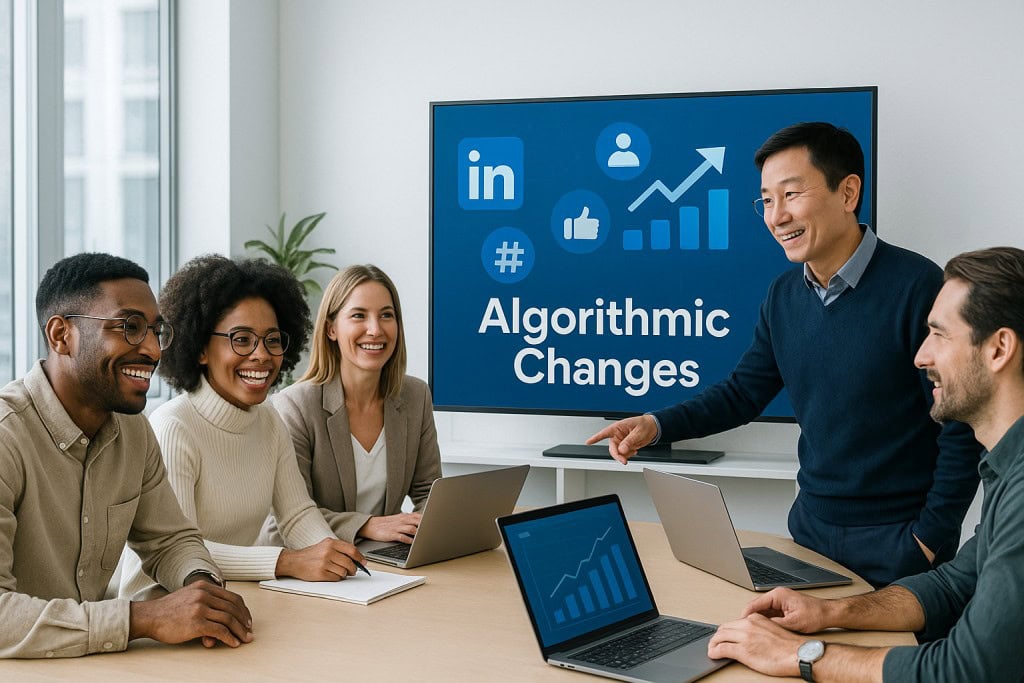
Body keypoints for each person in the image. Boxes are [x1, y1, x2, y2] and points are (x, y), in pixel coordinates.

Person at [587, 122, 981, 586]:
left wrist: (929, 537)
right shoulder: (783, 295)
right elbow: (742, 394)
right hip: (809, 532)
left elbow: (961, 421)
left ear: (848, 192)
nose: (777, 217)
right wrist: (656, 425)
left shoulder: (920, 287)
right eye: (767, 201)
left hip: (899, 542)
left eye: (791, 195)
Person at [707, 246, 1024, 681]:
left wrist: (802, 655)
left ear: (999, 349)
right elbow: (954, 584)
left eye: (939, 335)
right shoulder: (1006, 467)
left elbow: (964, 669)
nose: (920, 356)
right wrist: (828, 612)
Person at [0, 253, 253, 658]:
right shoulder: (6, 438)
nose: (152, 349)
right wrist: (141, 619)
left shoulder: (134, 431)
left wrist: (202, 589)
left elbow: (170, 540)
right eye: (129, 327)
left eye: (156, 331)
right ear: (61, 335)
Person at [119, 255, 365, 597]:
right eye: (242, 339)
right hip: (160, 604)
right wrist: (287, 561)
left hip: (231, 596)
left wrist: (335, 557)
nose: (261, 355)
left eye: (272, 340)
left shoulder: (269, 419)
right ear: (201, 349)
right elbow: (179, 551)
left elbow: (296, 515)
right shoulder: (173, 427)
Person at [261, 264, 441, 545]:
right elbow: (286, 521)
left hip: (386, 556)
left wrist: (431, 529)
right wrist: (366, 526)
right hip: (319, 560)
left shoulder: (415, 396)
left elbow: (429, 491)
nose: (375, 329)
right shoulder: (295, 406)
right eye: (359, 315)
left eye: (386, 315)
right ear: (331, 329)